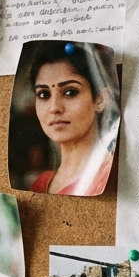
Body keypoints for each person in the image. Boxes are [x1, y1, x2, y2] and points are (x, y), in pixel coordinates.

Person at [24, 41, 119, 196]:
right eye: (43, 94)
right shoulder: (40, 185)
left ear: (100, 100)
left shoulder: (113, 177)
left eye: (70, 92)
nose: (54, 107)